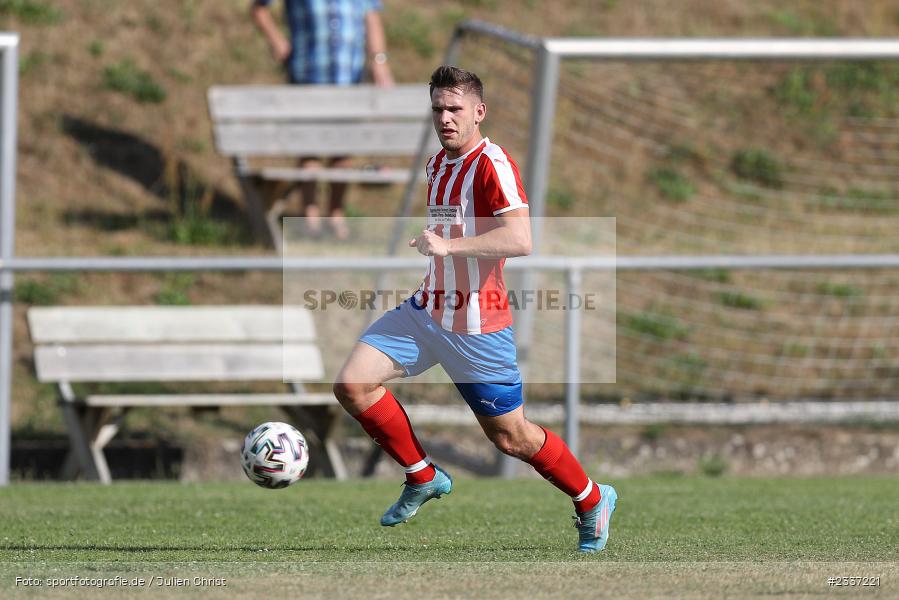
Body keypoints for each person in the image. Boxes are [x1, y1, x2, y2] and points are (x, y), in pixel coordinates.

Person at [332, 65, 617, 553]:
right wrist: (437, 245)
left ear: (479, 112)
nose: (445, 118)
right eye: (438, 109)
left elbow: (521, 239)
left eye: (455, 109)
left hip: (477, 326)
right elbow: (452, 231)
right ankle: (422, 475)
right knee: (352, 384)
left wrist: (449, 246)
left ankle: (592, 499)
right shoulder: (437, 165)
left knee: (511, 438)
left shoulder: (493, 165)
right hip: (427, 310)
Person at [250, 0, 394, 239]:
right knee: (309, 150)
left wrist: (379, 62)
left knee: (342, 153)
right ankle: (310, 216)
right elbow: (259, 8)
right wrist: (277, 41)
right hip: (307, 75)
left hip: (349, 77)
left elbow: (371, 16)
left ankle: (336, 215)